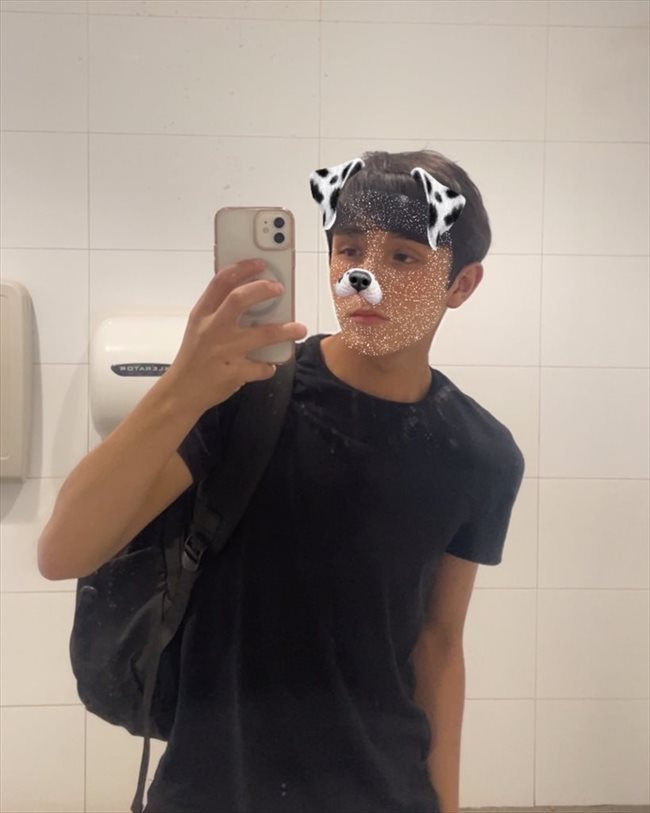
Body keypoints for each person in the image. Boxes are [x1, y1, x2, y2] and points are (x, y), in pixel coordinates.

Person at [38, 149, 525, 813]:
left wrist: (446, 803)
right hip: (213, 790)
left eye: (403, 257)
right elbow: (62, 552)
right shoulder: (249, 393)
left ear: (461, 284)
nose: (364, 276)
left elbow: (439, 643)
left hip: (384, 790)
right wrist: (183, 384)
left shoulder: (480, 452)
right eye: (348, 249)